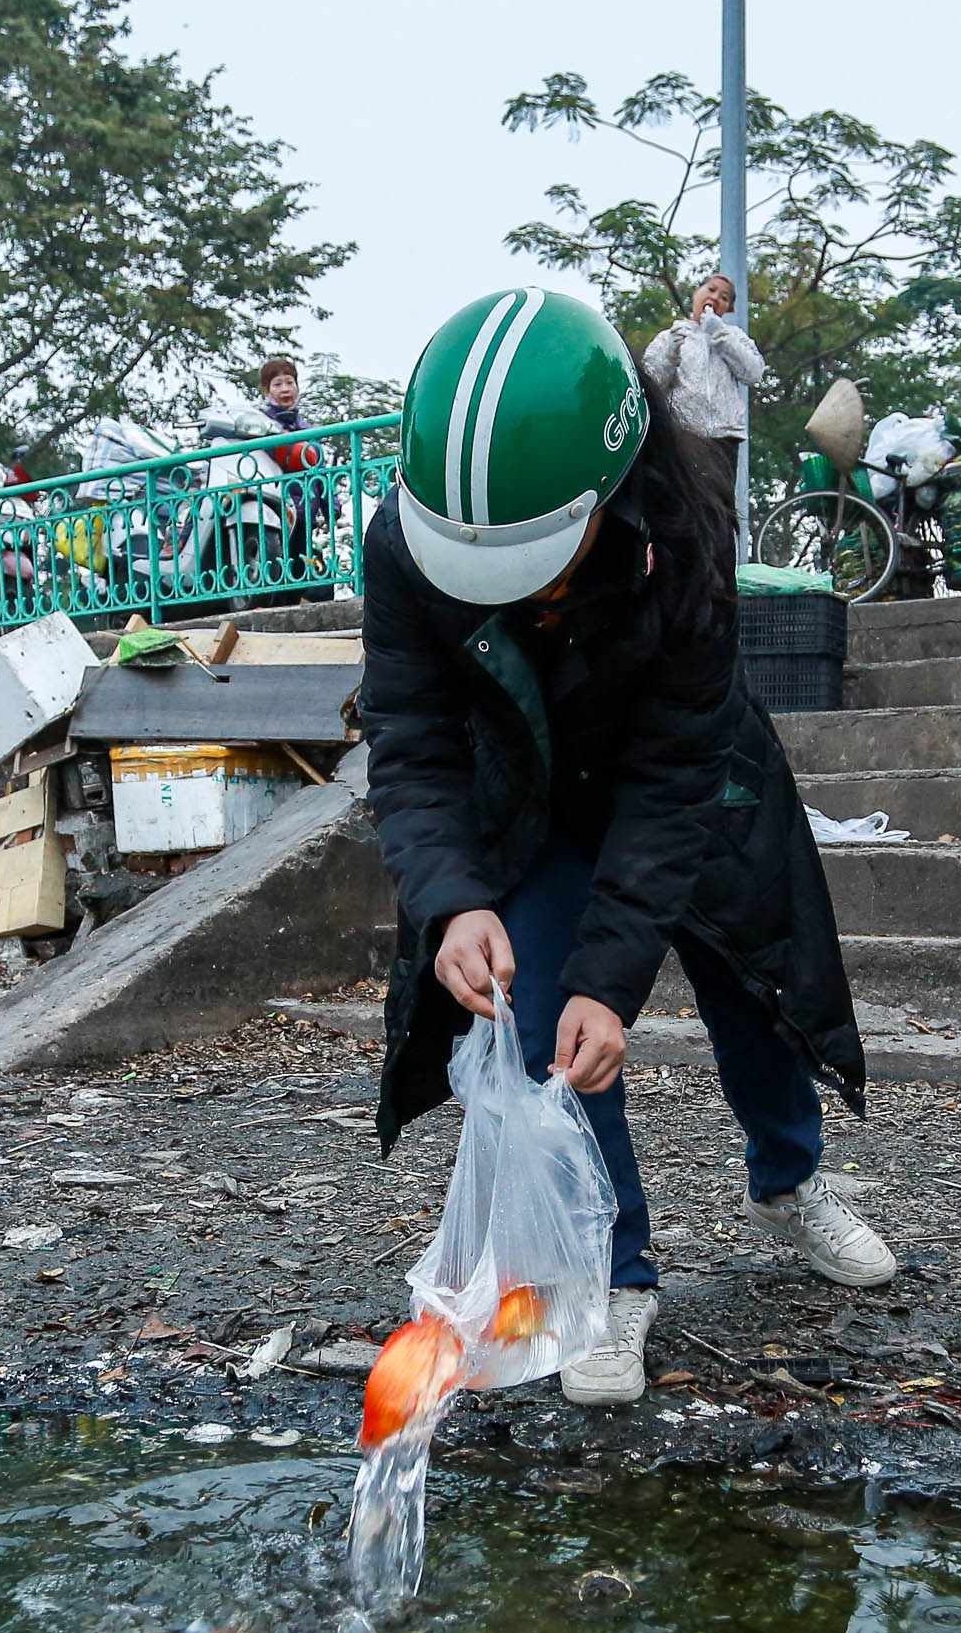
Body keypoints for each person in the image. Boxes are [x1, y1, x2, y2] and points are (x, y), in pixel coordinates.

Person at [360, 288, 895, 1410]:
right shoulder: (405, 542)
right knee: (549, 1019)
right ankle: (614, 1274)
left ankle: (791, 1180)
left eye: (545, 559)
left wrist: (620, 978)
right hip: (529, 791)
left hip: (691, 778)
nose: (534, 589)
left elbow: (669, 786)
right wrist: (455, 898)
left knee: (758, 993)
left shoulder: (685, 528)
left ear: (609, 489)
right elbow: (410, 739)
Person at [641, 273, 764, 501]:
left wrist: (721, 336)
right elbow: (651, 385)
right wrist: (670, 351)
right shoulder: (669, 336)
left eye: (724, 297)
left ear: (728, 308)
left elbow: (754, 372)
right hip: (683, 436)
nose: (716, 298)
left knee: (720, 509)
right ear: (697, 293)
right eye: (711, 290)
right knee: (683, 506)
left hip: (723, 439)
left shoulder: (734, 336)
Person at [257, 356, 332, 601]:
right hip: (276, 504)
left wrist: (330, 506)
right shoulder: (262, 426)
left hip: (305, 507)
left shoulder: (307, 428)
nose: (285, 389)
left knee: (302, 558)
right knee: (279, 560)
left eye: (289, 382)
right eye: (278, 384)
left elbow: (319, 469)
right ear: (267, 392)